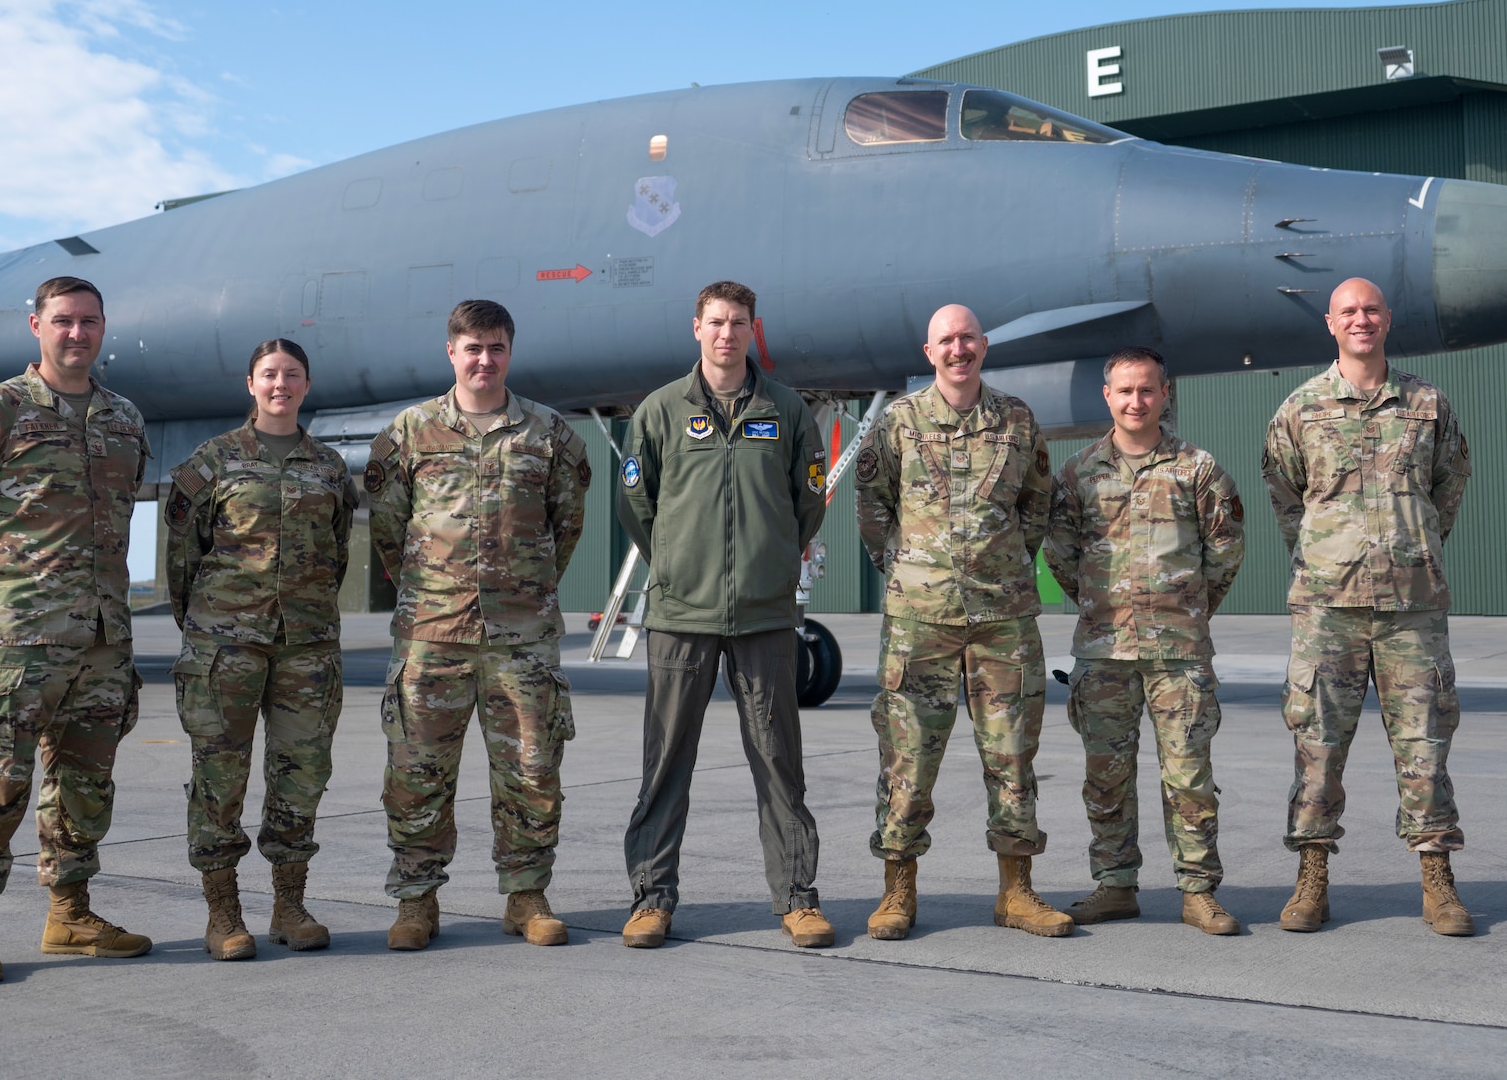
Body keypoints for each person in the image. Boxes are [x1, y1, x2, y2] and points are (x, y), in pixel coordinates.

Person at [0, 275, 153, 984]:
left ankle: (70, 914)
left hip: (102, 638)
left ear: (103, 327)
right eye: (63, 320)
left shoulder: (124, 418)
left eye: (89, 321)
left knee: (86, 785)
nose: (76, 333)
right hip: (17, 637)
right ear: (37, 326)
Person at [364, 300, 590, 951]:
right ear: (451, 352)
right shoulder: (410, 431)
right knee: (416, 773)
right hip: (432, 634)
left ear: (509, 352)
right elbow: (389, 531)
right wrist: (433, 590)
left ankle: (527, 896)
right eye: (472, 348)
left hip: (521, 638)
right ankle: (416, 901)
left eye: (495, 348)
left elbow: (566, 525)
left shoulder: (547, 433)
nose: (484, 360)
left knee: (532, 771)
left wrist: (520, 589)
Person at [615, 281, 833, 950]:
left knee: (779, 761)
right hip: (681, 615)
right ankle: (652, 898)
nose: (726, 333)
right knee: (665, 761)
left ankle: (797, 898)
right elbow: (637, 505)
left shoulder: (786, 410)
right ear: (697, 328)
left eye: (738, 322)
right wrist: (677, 564)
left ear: (751, 329)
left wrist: (772, 560)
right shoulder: (659, 411)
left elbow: (809, 500)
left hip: (764, 616)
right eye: (715, 322)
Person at [1260, 276, 1475, 936]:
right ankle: (1311, 878)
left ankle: (1437, 880)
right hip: (1329, 609)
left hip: (1412, 607)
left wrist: (1411, 549)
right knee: (1317, 747)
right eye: (1348, 310)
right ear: (1330, 323)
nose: (1361, 319)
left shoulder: (1428, 404)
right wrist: (1332, 556)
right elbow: (1287, 498)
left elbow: (1449, 485)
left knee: (1425, 745)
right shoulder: (1299, 409)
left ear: (1387, 319)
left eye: (1371, 309)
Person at [854, 304, 1072, 941]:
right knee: (908, 760)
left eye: (968, 338)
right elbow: (873, 509)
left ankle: (1016, 892)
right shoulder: (898, 422)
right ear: (930, 353)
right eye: (946, 340)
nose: (959, 349)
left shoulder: (1017, 420)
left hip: (1003, 619)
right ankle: (898, 891)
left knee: (1013, 758)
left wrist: (1002, 566)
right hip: (920, 622)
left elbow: (1037, 505)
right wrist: (909, 570)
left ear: (983, 346)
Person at [165, 339, 357, 960]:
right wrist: (210, 625)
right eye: (269, 374)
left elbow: (337, 554)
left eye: (292, 375)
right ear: (251, 384)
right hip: (225, 648)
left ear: (306, 385)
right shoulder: (212, 461)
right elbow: (182, 558)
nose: (281, 384)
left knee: (303, 774)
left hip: (307, 649)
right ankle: (223, 913)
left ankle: (289, 905)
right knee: (219, 777)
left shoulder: (329, 467)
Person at [1045, 346, 1245, 935]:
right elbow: (1061, 554)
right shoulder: (1078, 474)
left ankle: (1198, 891)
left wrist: (1185, 610)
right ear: (1107, 396)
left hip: (1178, 653)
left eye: (1147, 390)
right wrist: (1102, 607)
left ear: (1165, 394)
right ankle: (1115, 886)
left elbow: (1225, 552)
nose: (1137, 401)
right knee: (1106, 776)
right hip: (1104, 651)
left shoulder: (1197, 469)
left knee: (1189, 778)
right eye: (1126, 390)